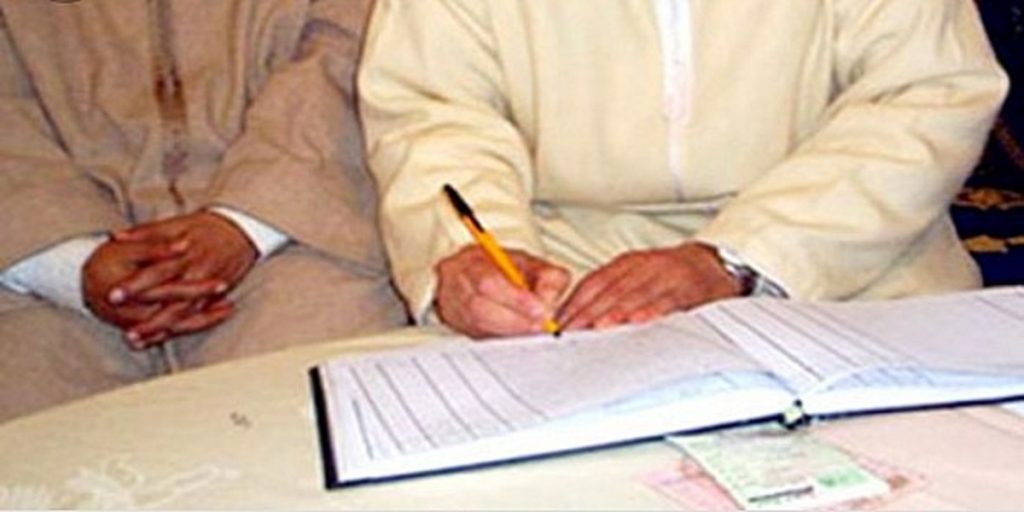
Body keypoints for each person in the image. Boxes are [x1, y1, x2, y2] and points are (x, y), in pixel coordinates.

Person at [358, 0, 1008, 339]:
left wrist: (737, 257)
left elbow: (926, 97)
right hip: (567, 291)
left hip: (850, 273)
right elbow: (434, 116)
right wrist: (478, 262)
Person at [0, 0, 408, 423]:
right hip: (40, 251)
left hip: (300, 228)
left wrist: (243, 224)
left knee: (314, 419)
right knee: (41, 437)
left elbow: (351, 51)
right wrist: (71, 265)